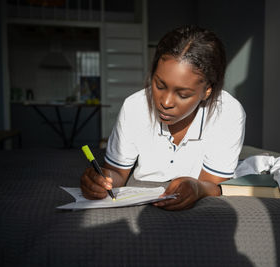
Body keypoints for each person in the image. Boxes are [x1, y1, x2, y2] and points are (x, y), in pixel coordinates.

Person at [80, 25, 246, 210]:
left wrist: (198, 188)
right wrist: (102, 180)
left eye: (183, 94)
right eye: (159, 85)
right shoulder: (135, 107)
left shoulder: (228, 113)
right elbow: (118, 174)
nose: (165, 102)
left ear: (207, 91)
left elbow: (214, 184)